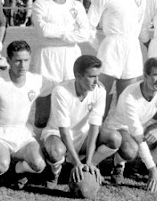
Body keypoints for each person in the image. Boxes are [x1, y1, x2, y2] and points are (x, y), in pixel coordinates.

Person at [0, 41, 55, 189]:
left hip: (22, 133)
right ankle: (3, 163)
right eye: (18, 61)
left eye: (26, 60)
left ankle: (17, 170)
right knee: (1, 165)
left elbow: (60, 88)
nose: (22, 66)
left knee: (39, 165)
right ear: (8, 61)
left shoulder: (37, 81)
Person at [104, 58, 157, 192]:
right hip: (121, 129)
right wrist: (153, 170)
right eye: (155, 75)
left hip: (141, 128)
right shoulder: (129, 96)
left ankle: (144, 163)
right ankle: (119, 164)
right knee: (131, 150)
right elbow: (137, 134)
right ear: (145, 76)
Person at [42, 55, 121, 188]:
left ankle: (89, 166)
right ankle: (55, 172)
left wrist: (89, 161)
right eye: (91, 77)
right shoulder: (61, 91)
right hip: (58, 135)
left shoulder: (100, 90)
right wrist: (76, 162)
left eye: (98, 76)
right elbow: (64, 131)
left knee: (115, 138)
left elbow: (94, 127)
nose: (96, 81)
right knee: (56, 151)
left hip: (82, 137)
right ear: (78, 76)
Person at [31, 0, 92, 129]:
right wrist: (70, 32)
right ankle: (39, 147)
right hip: (47, 58)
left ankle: (65, 146)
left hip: (71, 58)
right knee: (43, 110)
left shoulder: (76, 5)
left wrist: (58, 33)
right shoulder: (40, 4)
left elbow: (85, 34)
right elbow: (43, 31)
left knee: (70, 106)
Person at [87, 0, 147, 117]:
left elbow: (138, 26)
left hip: (132, 49)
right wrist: (101, 48)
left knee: (126, 103)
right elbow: (89, 26)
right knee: (100, 100)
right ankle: (92, 140)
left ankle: (118, 139)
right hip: (110, 47)